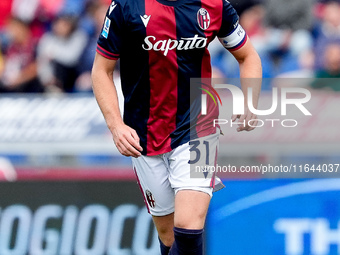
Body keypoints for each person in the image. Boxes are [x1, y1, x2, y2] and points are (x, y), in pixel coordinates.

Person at [92, 0, 262, 254]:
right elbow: (101, 71)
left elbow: (248, 56)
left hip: (198, 127)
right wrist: (116, 125)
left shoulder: (213, 6)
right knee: (169, 235)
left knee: (188, 226)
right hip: (144, 134)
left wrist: (250, 100)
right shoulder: (126, 6)